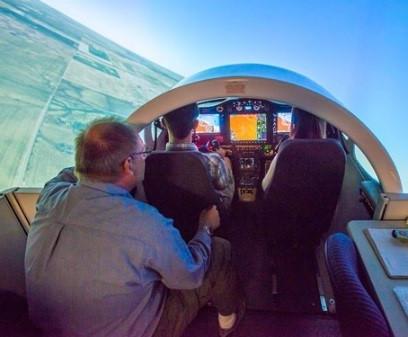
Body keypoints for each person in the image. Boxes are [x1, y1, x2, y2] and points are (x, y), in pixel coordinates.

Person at [25, 118, 244, 337]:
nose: (146, 157)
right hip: (133, 331)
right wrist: (205, 227)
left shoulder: (51, 195)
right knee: (218, 251)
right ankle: (228, 324)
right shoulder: (146, 223)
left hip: (49, 329)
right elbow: (190, 276)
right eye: (143, 153)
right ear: (128, 164)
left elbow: (67, 174)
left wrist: (96, 160)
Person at [162, 104, 235, 210]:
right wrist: (221, 158)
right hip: (206, 217)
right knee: (227, 161)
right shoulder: (213, 160)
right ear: (196, 124)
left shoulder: (152, 161)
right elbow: (222, 185)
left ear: (163, 123)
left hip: (169, 215)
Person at [261, 108, 323, 191]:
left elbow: (265, 186)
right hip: (318, 203)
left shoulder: (286, 150)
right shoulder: (332, 152)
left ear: (293, 125)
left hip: (283, 203)